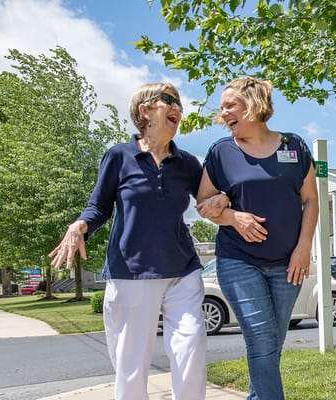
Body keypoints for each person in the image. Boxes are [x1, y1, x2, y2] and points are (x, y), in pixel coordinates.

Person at [48, 83, 227, 400]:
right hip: (130, 271)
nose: (178, 110)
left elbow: (207, 202)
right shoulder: (119, 157)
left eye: (180, 104)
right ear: (145, 110)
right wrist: (79, 225)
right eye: (170, 101)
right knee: (130, 368)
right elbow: (99, 206)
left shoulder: (186, 163)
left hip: (181, 269)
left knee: (192, 348)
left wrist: (223, 200)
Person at [196, 77, 319, 400]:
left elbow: (310, 200)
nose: (223, 114)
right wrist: (233, 217)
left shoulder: (295, 146)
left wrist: (304, 247)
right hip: (239, 261)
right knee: (262, 337)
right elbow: (203, 205)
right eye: (222, 108)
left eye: (229, 105)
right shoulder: (221, 152)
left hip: (288, 264)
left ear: (253, 105)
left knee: (271, 343)